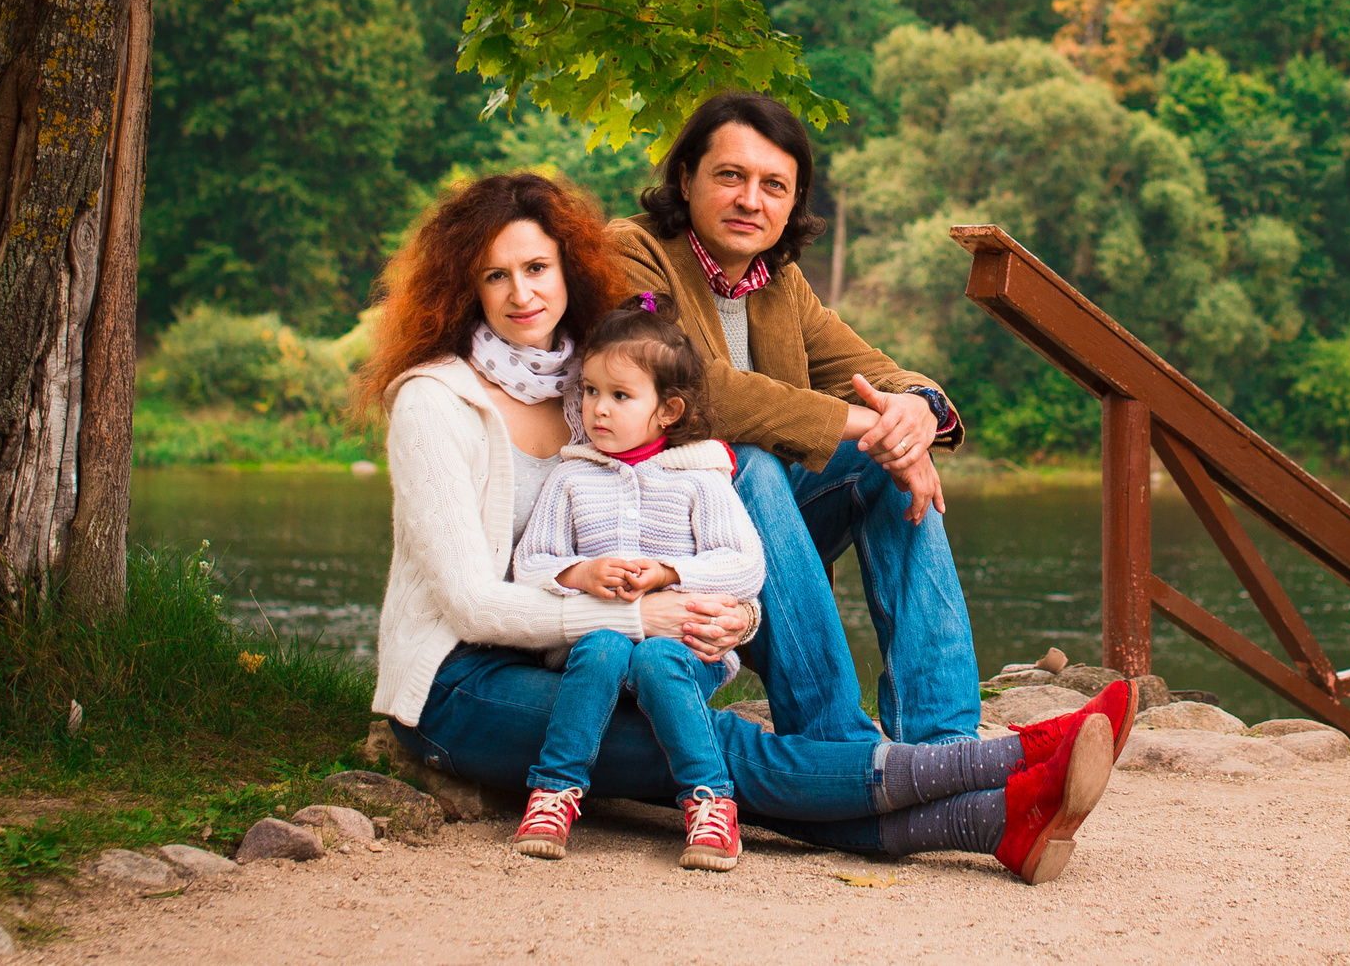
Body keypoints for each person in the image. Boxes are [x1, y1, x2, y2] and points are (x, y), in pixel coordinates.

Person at [354, 170, 1131, 883]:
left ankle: (999, 824)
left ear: (568, 272)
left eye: (536, 268)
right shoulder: (437, 401)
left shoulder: (591, 389)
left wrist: (728, 610)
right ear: (467, 288)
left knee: (703, 757)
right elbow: (470, 603)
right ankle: (1018, 758)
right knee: (719, 749)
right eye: (496, 274)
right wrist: (637, 612)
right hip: (462, 688)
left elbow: (680, 536)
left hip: (591, 659)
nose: (522, 291)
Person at [607, 93, 975, 746]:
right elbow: (689, 391)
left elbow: (876, 370)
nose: (752, 199)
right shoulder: (631, 252)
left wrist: (918, 409)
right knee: (743, 459)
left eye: (774, 185)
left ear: (794, 202)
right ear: (687, 176)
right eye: (731, 176)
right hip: (661, 536)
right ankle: (838, 745)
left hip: (765, 531)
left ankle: (942, 743)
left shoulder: (778, 282)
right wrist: (864, 423)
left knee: (886, 461)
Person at [508, 293, 764, 870]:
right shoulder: (573, 476)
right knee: (601, 649)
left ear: (667, 411)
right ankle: (553, 793)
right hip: (591, 639)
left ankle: (710, 801)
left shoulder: (699, 478)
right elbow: (530, 564)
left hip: (681, 650)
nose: (599, 409)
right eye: (592, 391)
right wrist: (580, 572)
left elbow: (747, 565)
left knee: (656, 663)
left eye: (621, 396)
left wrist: (674, 572)